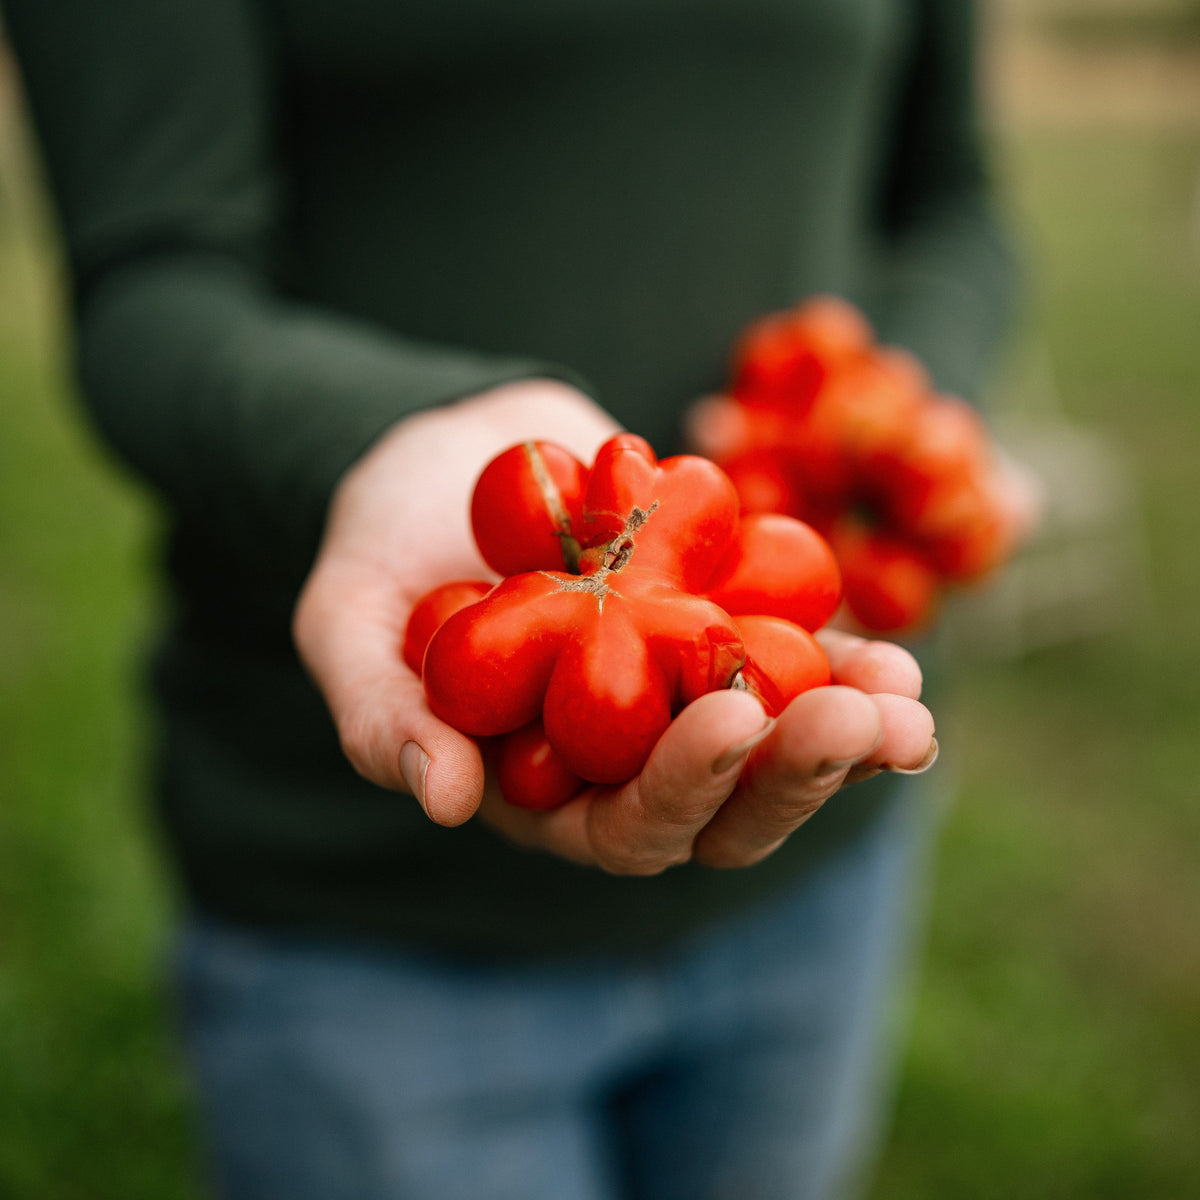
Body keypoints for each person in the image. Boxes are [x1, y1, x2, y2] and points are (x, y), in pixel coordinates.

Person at [3, 1, 1017, 1197]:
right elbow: (148, 289)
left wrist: (897, 421)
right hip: (366, 911)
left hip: (818, 857)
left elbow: (953, 201)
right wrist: (383, 436)